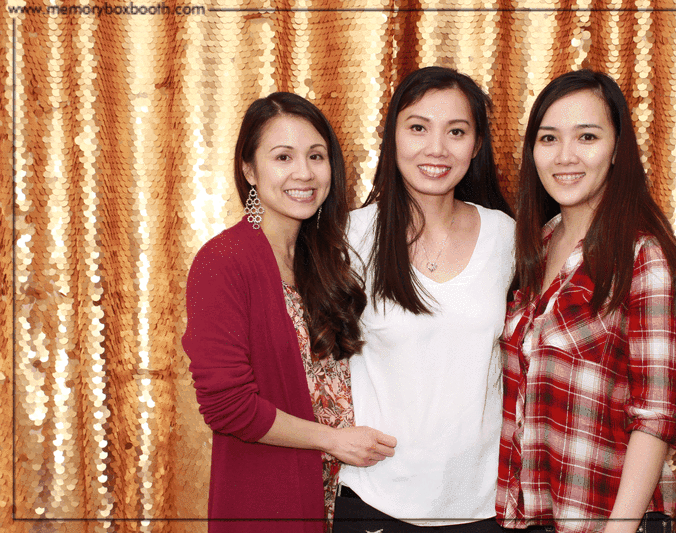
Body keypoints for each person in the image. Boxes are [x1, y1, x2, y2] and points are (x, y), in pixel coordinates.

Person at [182, 93, 397, 533]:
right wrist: (333, 441)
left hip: (351, 496)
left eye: (316, 156)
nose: (304, 172)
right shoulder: (222, 261)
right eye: (283, 157)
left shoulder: (329, 257)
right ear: (249, 170)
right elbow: (228, 407)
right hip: (271, 496)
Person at [496, 69, 676, 533]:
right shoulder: (536, 246)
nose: (565, 156)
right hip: (530, 517)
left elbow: (655, 418)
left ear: (617, 149)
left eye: (587, 136)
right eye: (549, 138)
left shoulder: (645, 257)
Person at [333, 66, 515, 533]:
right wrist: (330, 436)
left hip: (484, 506)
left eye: (456, 131)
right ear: (392, 137)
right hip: (375, 498)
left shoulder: (507, 237)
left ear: (476, 145)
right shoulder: (351, 237)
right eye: (418, 128)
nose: (437, 148)